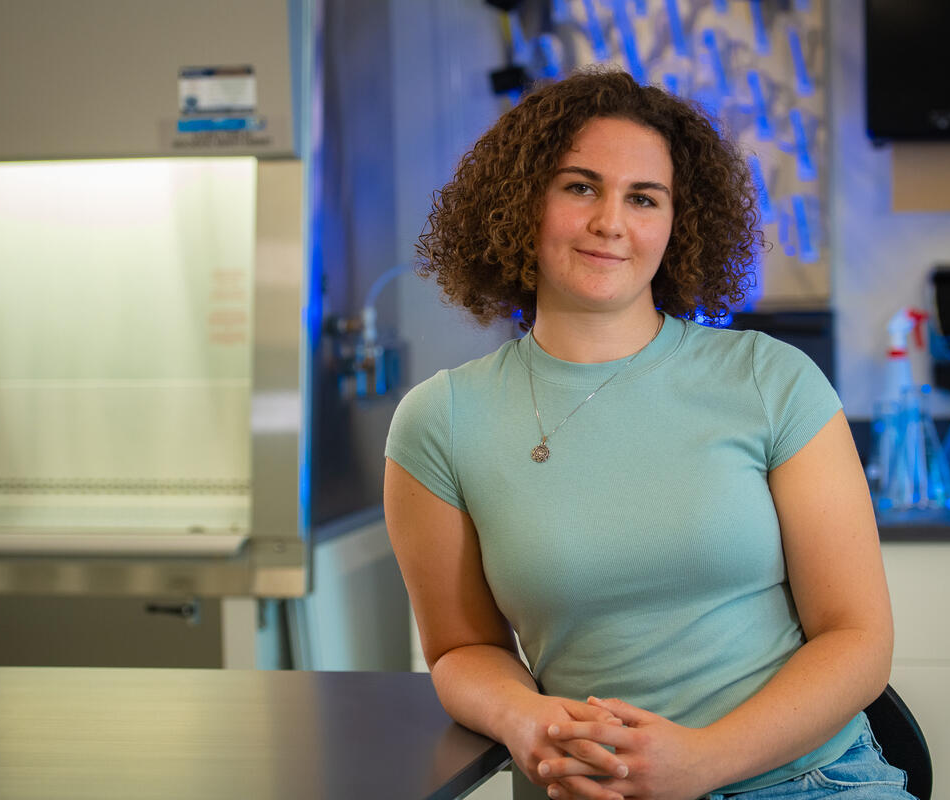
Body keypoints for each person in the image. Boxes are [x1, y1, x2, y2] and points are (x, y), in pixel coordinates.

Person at [384, 67, 911, 800]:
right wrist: (524, 720)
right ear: (519, 203)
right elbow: (461, 649)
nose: (611, 222)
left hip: (806, 781)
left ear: (677, 222)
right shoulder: (438, 422)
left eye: (644, 198)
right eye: (579, 186)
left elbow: (858, 641)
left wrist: (705, 761)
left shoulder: (771, 380)